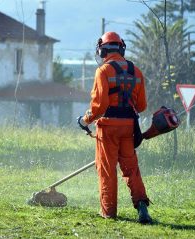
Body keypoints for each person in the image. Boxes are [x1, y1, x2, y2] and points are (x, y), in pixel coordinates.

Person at [77, 31, 152, 224]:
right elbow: (142, 106)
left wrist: (85, 120)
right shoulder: (136, 71)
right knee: (130, 168)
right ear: (121, 48)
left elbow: (99, 106)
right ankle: (142, 205)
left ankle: (108, 212)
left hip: (108, 127)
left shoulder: (103, 71)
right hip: (129, 127)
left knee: (107, 170)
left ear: (102, 51)